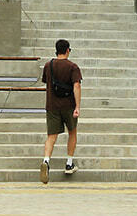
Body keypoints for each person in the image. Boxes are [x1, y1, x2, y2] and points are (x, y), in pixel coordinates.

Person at [40, 38, 81, 183]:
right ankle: (69, 163)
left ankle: (46, 161)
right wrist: (77, 107)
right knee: (72, 132)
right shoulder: (73, 67)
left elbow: (46, 81)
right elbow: (76, 86)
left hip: (52, 105)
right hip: (68, 105)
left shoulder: (48, 65)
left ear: (56, 50)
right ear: (68, 50)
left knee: (51, 136)